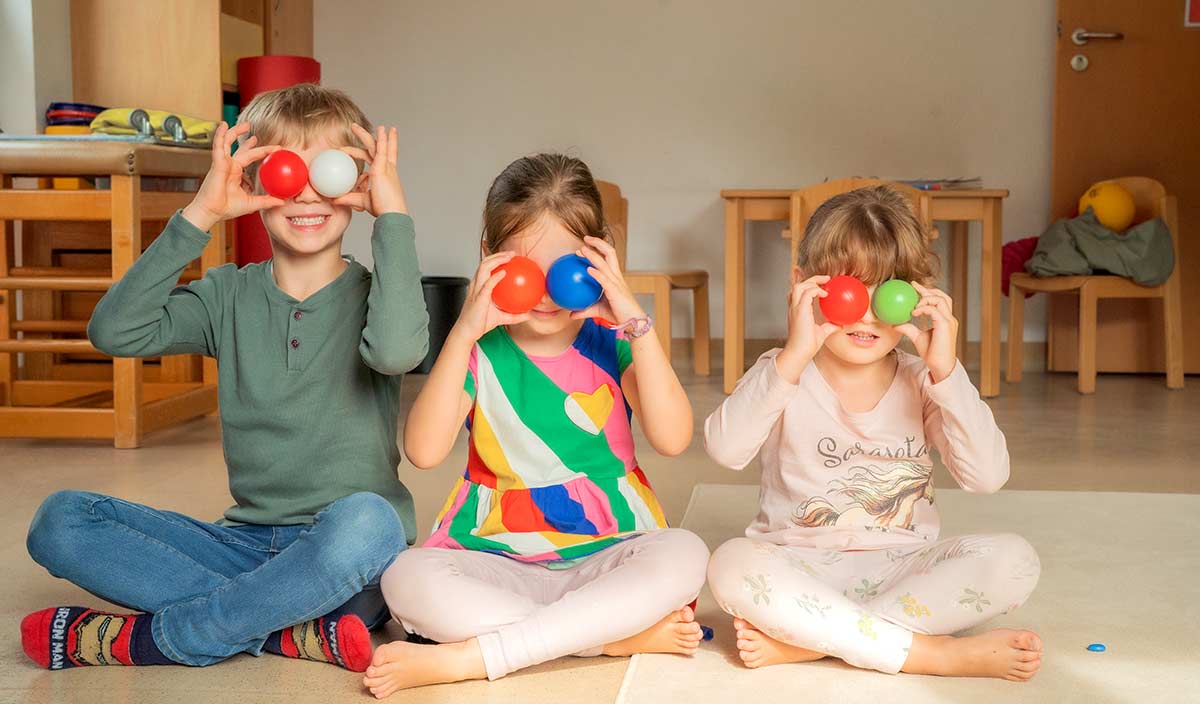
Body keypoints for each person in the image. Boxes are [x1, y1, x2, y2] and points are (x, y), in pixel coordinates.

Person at [21, 84, 429, 673]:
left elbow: (395, 352)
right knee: (59, 520)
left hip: (345, 555)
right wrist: (200, 214)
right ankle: (282, 630)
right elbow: (115, 332)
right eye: (286, 171)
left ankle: (172, 635)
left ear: (357, 184)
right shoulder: (226, 295)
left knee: (371, 521)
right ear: (256, 185)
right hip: (240, 545)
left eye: (330, 172)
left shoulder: (377, 294)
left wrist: (394, 215)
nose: (308, 192)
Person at [362, 154, 709, 698]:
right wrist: (462, 334)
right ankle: (605, 637)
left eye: (566, 272)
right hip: (495, 553)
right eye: (527, 272)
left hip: (607, 550)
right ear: (488, 258)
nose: (546, 294)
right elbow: (424, 451)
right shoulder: (481, 351)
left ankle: (473, 658)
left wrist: (634, 321)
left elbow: (673, 437)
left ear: (600, 262)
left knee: (686, 552)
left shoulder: (615, 341)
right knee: (405, 578)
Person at [705, 185, 1043, 682]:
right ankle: (929, 654)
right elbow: (725, 450)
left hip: (905, 568)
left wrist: (946, 372)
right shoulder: (782, 373)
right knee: (729, 565)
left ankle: (813, 641)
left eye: (887, 293)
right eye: (849, 292)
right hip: (800, 565)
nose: (865, 315)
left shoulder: (923, 380)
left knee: (1016, 561)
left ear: (917, 296)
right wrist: (792, 357)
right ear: (802, 285)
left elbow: (988, 476)